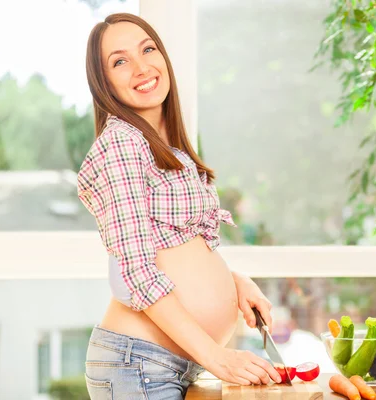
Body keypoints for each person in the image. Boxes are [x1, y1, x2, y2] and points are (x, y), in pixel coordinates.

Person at [78, 12, 282, 399]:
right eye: (119, 61)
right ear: (103, 83)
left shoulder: (163, 147)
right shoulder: (122, 143)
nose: (141, 67)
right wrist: (219, 358)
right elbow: (133, 270)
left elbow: (171, 245)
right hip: (139, 363)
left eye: (148, 49)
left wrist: (232, 281)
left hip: (165, 361)